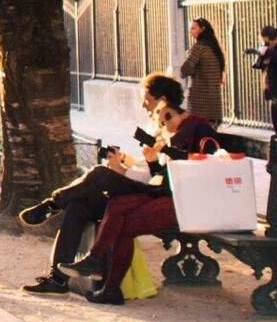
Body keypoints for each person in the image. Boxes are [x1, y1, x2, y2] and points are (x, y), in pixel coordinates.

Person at [17, 73, 199, 295]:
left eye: (147, 99)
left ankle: (53, 204)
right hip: (144, 186)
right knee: (78, 207)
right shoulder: (158, 127)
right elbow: (145, 171)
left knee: (99, 174)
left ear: (162, 99)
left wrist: (138, 165)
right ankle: (58, 279)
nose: (143, 104)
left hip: (156, 195)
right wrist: (121, 166)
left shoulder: (183, 127)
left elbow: (164, 175)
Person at [60, 98, 224, 304]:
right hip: (169, 195)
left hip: (189, 202)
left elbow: (199, 166)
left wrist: (165, 153)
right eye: (162, 121)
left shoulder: (198, 128)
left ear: (183, 112)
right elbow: (163, 177)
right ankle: (97, 266)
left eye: (169, 116)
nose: (166, 124)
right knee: (116, 205)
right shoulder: (171, 138)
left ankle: (107, 283)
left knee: (125, 223)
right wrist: (154, 160)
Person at [178, 17, 226, 125]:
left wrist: (188, 57)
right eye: (190, 29)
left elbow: (184, 71)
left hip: (199, 106)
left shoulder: (199, 48)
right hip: (214, 106)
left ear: (203, 29)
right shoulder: (214, 48)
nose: (191, 32)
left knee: (197, 137)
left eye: (193, 29)